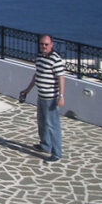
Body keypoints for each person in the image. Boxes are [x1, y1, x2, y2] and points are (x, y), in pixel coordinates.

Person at [19, 34, 65, 162]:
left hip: (51, 98)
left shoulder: (56, 59)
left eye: (46, 44)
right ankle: (45, 145)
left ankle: (57, 153)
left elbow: (61, 78)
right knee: (42, 122)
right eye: (41, 44)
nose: (43, 46)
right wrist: (27, 90)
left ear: (52, 44)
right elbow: (37, 74)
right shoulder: (40, 57)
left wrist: (61, 96)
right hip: (41, 96)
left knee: (52, 125)